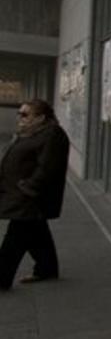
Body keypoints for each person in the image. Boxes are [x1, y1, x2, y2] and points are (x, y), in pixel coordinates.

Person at [0, 99, 70, 291]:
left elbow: (47, 167)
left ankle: (1, 277)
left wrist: (29, 187)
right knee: (36, 232)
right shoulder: (33, 132)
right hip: (19, 192)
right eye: (19, 113)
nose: (20, 118)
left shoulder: (52, 135)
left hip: (30, 196)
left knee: (15, 237)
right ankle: (46, 268)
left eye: (25, 114)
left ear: (40, 118)